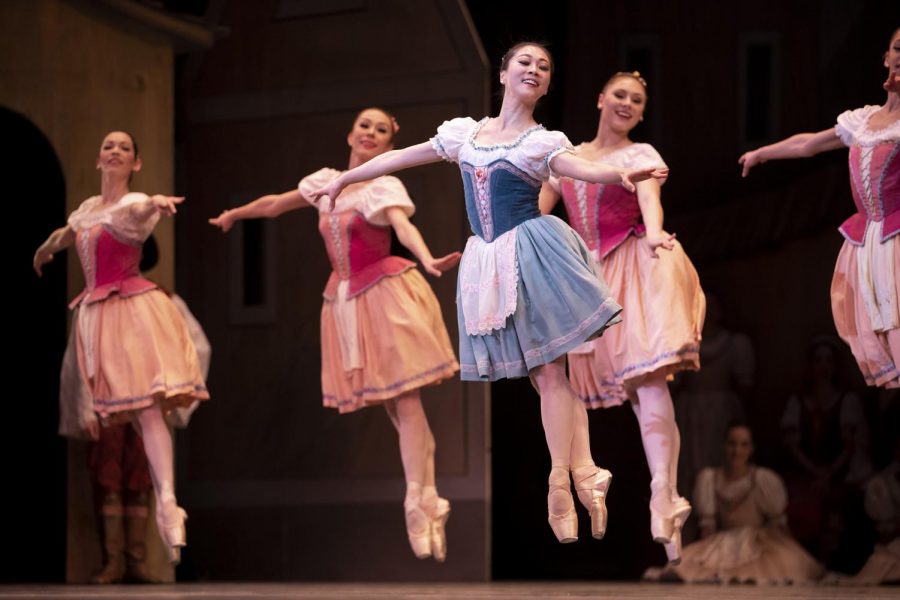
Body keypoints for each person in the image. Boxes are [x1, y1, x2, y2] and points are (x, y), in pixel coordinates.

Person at [311, 43, 667, 543]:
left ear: (545, 85)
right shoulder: (466, 134)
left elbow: (580, 169)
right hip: (489, 261)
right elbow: (401, 158)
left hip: (533, 251)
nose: (534, 70)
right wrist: (346, 178)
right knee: (544, 372)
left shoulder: (542, 142)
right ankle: (585, 472)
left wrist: (620, 173)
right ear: (503, 74)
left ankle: (559, 482)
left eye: (544, 67)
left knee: (548, 369)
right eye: (525, 62)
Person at [209, 108, 459, 561]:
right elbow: (275, 204)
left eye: (381, 131)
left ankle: (415, 500)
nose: (371, 133)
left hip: (386, 294)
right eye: (365, 125)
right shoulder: (327, 182)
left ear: (388, 146)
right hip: (348, 301)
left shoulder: (383, 186)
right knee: (394, 404)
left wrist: (427, 259)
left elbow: (404, 227)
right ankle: (431, 496)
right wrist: (234, 214)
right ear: (350, 133)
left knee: (406, 398)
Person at [538, 71, 705, 561]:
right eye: (620, 95)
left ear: (642, 111)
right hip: (582, 279)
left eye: (636, 99)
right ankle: (614, 488)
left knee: (648, 380)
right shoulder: (566, 158)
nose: (627, 103)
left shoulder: (641, 154)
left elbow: (650, 199)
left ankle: (662, 491)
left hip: (631, 267)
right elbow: (534, 210)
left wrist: (654, 233)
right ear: (600, 99)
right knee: (568, 387)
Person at [34, 131, 209, 565]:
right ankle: (133, 538)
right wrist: (44, 250)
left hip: (129, 311)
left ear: (135, 163)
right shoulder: (89, 211)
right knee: (126, 415)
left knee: (149, 409)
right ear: (98, 159)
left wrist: (157, 203)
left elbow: (141, 207)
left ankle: (168, 504)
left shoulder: (133, 205)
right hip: (97, 318)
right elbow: (68, 232)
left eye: (124, 148)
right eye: (108, 146)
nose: (114, 151)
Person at [739, 27, 900, 390]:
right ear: (887, 57)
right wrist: (763, 153)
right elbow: (808, 145)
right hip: (869, 243)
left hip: (897, 236)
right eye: (899, 48)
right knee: (887, 337)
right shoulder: (863, 120)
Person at [645, 422, 825, 584]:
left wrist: (793, 552)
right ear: (724, 446)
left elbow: (779, 525)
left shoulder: (761, 479)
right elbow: (708, 528)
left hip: (756, 542)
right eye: (732, 443)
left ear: (751, 449)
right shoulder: (710, 479)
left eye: (744, 445)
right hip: (723, 541)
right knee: (691, 566)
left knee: (777, 567)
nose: (737, 451)